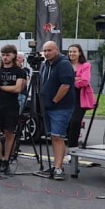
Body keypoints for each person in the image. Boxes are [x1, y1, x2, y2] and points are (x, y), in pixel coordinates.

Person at [34, 41, 76, 180]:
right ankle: (57, 164)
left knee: (58, 136)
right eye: (45, 50)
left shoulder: (64, 64)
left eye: (49, 50)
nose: (46, 53)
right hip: (47, 107)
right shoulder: (45, 64)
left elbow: (65, 85)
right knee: (53, 137)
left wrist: (54, 101)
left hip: (60, 107)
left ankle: (58, 168)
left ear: (57, 50)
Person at [0, 44, 26, 173]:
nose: (5, 57)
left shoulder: (19, 71)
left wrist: (1, 87)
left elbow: (18, 88)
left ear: (14, 55)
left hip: (11, 106)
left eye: (7, 55)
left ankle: (6, 160)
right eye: (3, 55)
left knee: (9, 133)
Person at [66, 44, 96, 150]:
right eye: (70, 51)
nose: (72, 54)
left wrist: (70, 81)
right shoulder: (65, 65)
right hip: (66, 97)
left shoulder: (85, 65)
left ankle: (73, 148)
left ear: (79, 53)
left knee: (75, 121)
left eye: (74, 51)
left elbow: (85, 81)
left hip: (80, 97)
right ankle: (70, 144)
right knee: (68, 122)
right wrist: (76, 78)